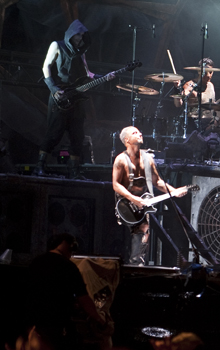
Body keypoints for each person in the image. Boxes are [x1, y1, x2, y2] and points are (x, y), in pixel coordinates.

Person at [38, 19, 113, 179]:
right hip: (60, 94)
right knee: (54, 133)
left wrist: (104, 77)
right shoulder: (57, 45)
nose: (79, 39)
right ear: (71, 34)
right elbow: (46, 66)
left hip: (76, 98)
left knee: (77, 135)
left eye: (82, 36)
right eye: (77, 35)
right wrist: (54, 89)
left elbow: (87, 74)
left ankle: (74, 171)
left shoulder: (81, 52)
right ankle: (40, 166)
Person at [112, 126, 188, 266]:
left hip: (143, 203)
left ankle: (137, 264)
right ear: (126, 140)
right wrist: (133, 198)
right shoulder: (120, 159)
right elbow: (116, 184)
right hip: (126, 203)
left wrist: (174, 191)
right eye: (135, 133)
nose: (139, 134)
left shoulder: (148, 159)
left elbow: (157, 181)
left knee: (143, 231)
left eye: (139, 131)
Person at [26, 233, 105, 350]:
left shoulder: (35, 262)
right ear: (68, 245)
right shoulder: (68, 267)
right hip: (57, 328)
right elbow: (84, 299)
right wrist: (100, 320)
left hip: (35, 327)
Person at [175, 58, 220, 132]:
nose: (209, 75)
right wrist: (178, 89)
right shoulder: (190, 85)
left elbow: (211, 103)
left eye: (211, 72)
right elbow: (178, 104)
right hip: (194, 122)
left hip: (209, 121)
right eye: (206, 72)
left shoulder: (211, 85)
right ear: (199, 71)